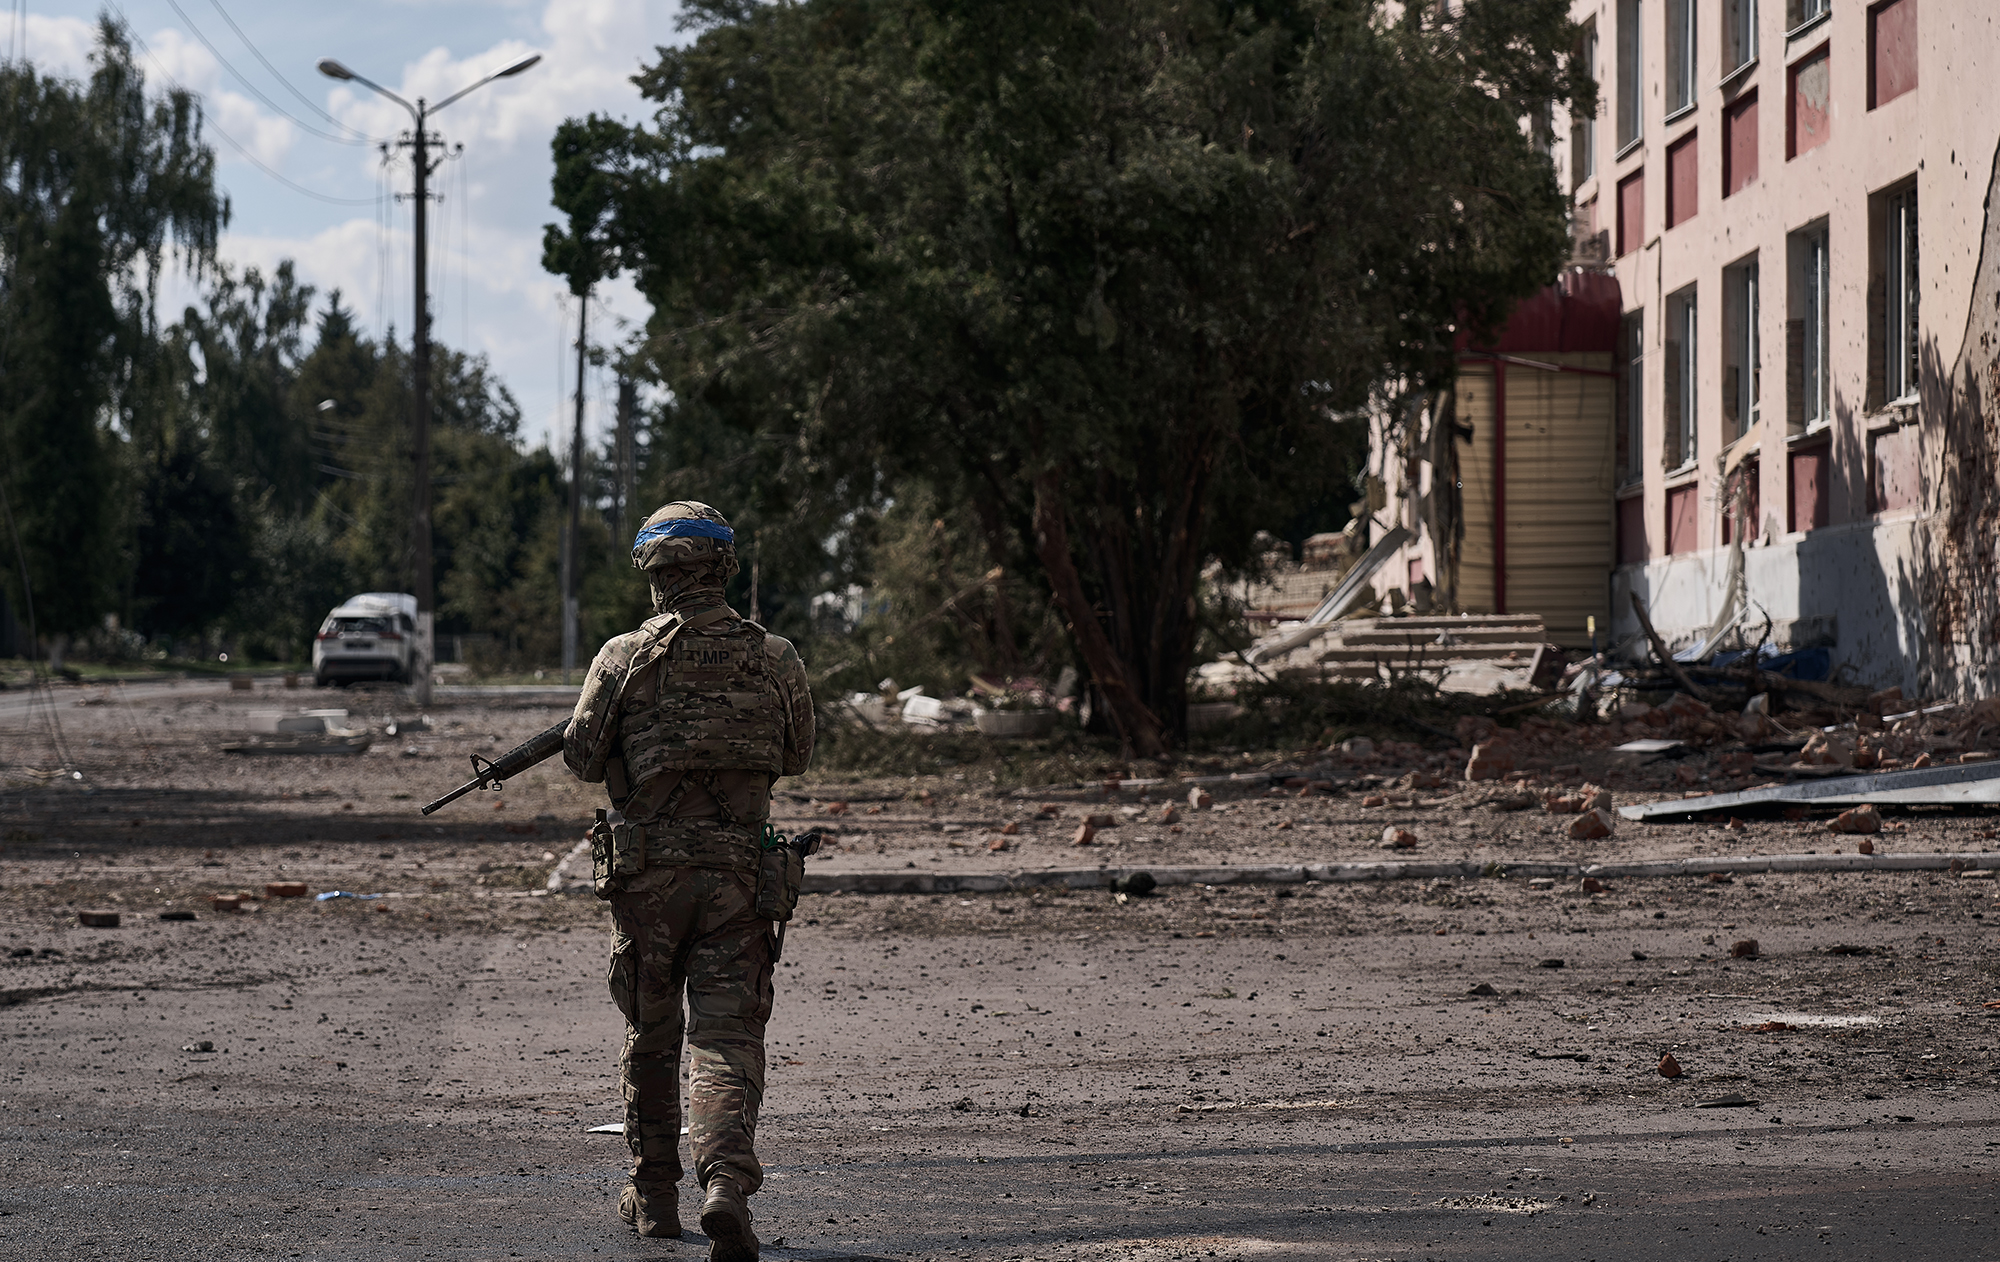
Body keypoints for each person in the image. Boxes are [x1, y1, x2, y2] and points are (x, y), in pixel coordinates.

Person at [564, 501, 815, 1260]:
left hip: (648, 882)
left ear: (654, 574)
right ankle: (727, 1184)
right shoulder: (775, 657)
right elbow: (797, 753)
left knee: (652, 1032)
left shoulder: (623, 657)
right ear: (722, 568)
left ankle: (653, 1197)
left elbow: (581, 757)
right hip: (739, 877)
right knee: (727, 1036)